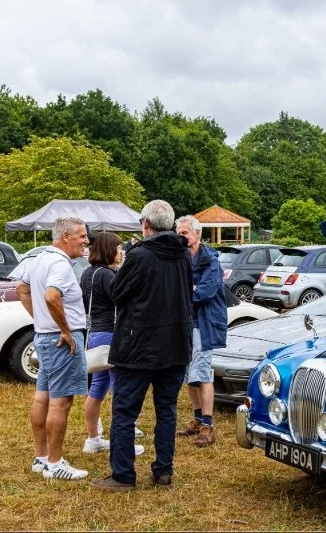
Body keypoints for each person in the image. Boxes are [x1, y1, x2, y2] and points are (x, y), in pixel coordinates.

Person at [91, 200, 193, 491]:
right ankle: (163, 471)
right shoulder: (183, 254)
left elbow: (118, 293)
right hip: (175, 344)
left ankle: (123, 475)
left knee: (124, 411)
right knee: (166, 409)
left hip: (139, 346)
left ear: (145, 224)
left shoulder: (140, 256)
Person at [15, 217, 90, 481]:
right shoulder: (60, 263)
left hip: (44, 337)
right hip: (60, 341)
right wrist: (66, 330)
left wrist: (41, 320)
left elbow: (21, 287)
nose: (86, 241)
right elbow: (51, 295)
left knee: (42, 397)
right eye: (81, 236)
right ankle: (55, 463)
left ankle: (42, 457)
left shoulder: (39, 258)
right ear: (66, 237)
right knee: (62, 402)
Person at [80, 232, 144, 457]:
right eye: (118, 248)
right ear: (109, 250)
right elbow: (124, 299)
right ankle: (123, 440)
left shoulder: (88, 273)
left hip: (96, 333)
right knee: (121, 387)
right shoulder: (107, 275)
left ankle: (93, 438)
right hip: (111, 334)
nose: (121, 251)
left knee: (97, 386)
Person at [175, 215, 227, 448]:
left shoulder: (211, 261)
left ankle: (208, 425)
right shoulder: (180, 257)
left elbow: (204, 292)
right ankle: (197, 419)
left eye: (185, 232)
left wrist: (187, 291)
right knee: (189, 373)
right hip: (185, 322)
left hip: (204, 323)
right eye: (179, 232)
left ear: (197, 234)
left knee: (203, 372)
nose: (181, 236)